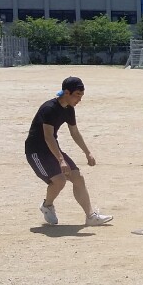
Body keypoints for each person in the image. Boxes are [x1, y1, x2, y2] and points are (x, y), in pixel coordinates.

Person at [25, 77, 113, 226]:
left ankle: (90, 216)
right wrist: (61, 159)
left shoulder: (69, 109)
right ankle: (47, 206)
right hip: (36, 151)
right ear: (67, 92)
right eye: (77, 95)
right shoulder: (49, 108)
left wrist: (87, 152)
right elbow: (48, 136)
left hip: (51, 148)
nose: (79, 99)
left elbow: (74, 132)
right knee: (59, 180)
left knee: (77, 177)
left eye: (81, 95)